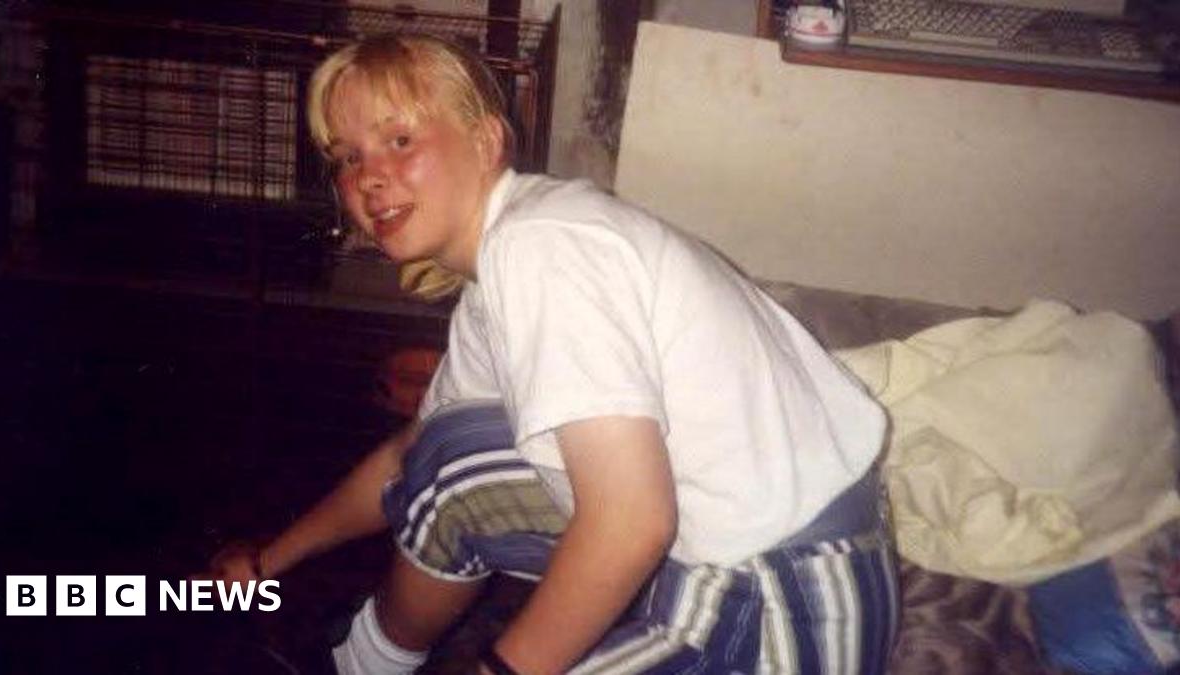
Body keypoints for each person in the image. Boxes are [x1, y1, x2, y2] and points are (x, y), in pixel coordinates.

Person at [203, 33, 899, 675]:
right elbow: (406, 461)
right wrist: (270, 559)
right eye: (348, 157)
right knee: (450, 454)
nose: (368, 177)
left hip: (779, 598)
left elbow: (631, 520)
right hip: (724, 544)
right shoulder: (503, 273)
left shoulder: (544, 248)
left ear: (486, 142)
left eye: (399, 138)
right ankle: (357, 663)